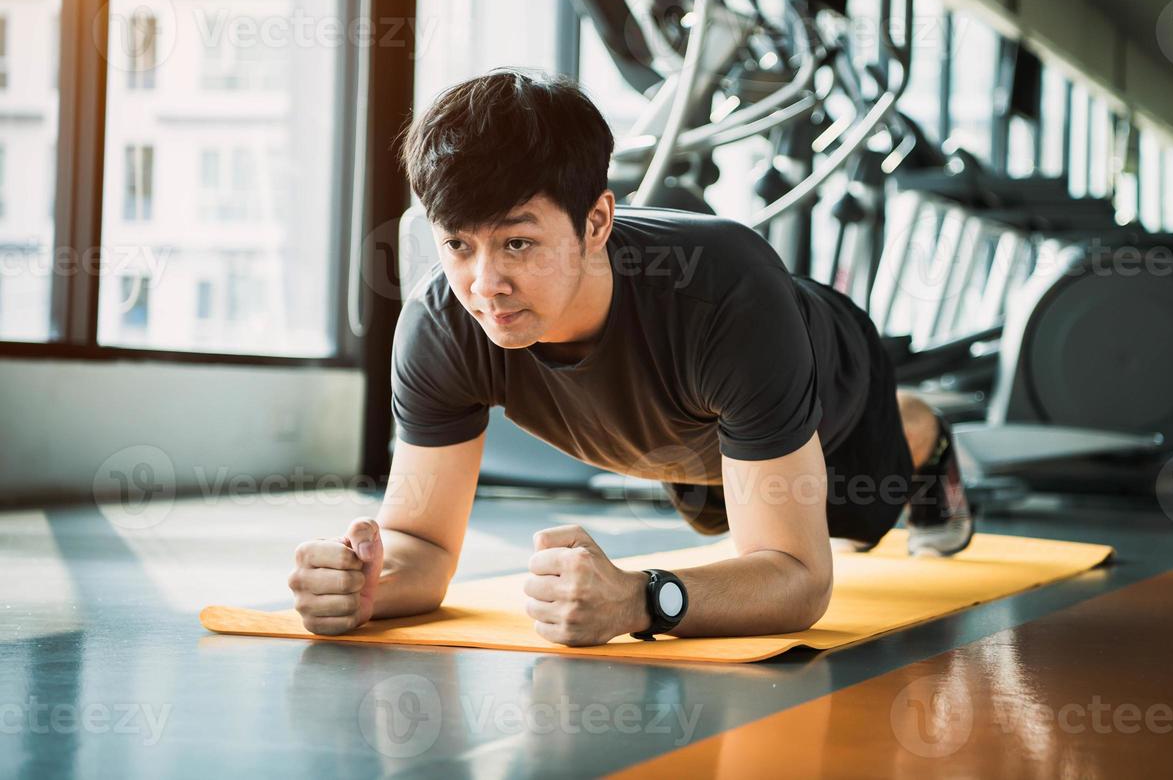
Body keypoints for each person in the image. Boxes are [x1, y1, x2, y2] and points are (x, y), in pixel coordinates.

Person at [287, 70, 972, 647]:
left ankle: (919, 428)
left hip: (831, 391)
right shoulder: (441, 326)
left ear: (597, 223)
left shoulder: (729, 300)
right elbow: (423, 548)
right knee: (721, 520)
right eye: (458, 246)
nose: (485, 285)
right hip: (681, 440)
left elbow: (799, 579)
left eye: (518, 244)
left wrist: (640, 600)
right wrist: (366, 583)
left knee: (854, 513)